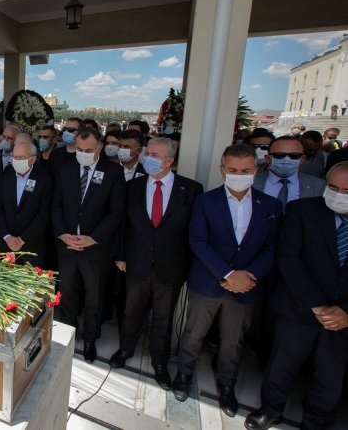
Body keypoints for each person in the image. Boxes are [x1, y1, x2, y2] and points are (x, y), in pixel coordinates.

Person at [172, 144, 281, 418]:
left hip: (246, 287)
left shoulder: (270, 206)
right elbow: (198, 240)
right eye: (232, 170)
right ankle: (184, 375)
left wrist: (246, 277)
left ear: (255, 171)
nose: (239, 175)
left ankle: (227, 384)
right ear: (223, 170)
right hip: (209, 282)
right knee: (193, 332)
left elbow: (272, 248)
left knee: (234, 340)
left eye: (245, 170)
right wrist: (228, 274)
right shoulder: (206, 201)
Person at [245, 162, 348, 430]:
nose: (339, 194)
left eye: (347, 190)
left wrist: (345, 312)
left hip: (343, 318)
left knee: (331, 375)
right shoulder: (302, 211)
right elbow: (289, 258)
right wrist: (317, 304)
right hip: (300, 307)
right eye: (334, 187)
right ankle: (270, 409)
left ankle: (317, 421)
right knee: (282, 365)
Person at [109, 138, 203, 389]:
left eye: (154, 154)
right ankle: (126, 349)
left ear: (169, 161)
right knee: (131, 311)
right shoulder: (134, 186)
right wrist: (121, 256)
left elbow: (194, 232)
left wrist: (188, 266)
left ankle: (159, 362)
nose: (147, 158)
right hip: (136, 263)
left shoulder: (191, 189)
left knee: (163, 318)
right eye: (147, 153)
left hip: (170, 266)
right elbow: (123, 226)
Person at [52, 128, 126, 362]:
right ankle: (68, 334)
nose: (83, 154)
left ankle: (90, 340)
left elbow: (116, 212)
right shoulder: (66, 169)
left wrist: (92, 238)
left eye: (89, 151)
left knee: (94, 298)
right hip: (67, 247)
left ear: (100, 148)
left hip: (95, 249)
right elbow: (56, 206)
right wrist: (63, 234)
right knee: (67, 295)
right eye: (80, 150)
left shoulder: (113, 172)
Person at [0, 141, 52, 266]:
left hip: (32, 246)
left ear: (33, 159)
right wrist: (7, 236)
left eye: (21, 157)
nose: (16, 160)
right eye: (15, 157)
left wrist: (22, 239)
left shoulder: (44, 178)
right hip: (7, 244)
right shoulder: (7, 174)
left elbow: (44, 214)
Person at [253, 137, 326, 211]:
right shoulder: (251, 182)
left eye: (294, 156)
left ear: (302, 159)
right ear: (267, 158)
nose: (287, 159)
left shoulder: (319, 186)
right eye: (280, 155)